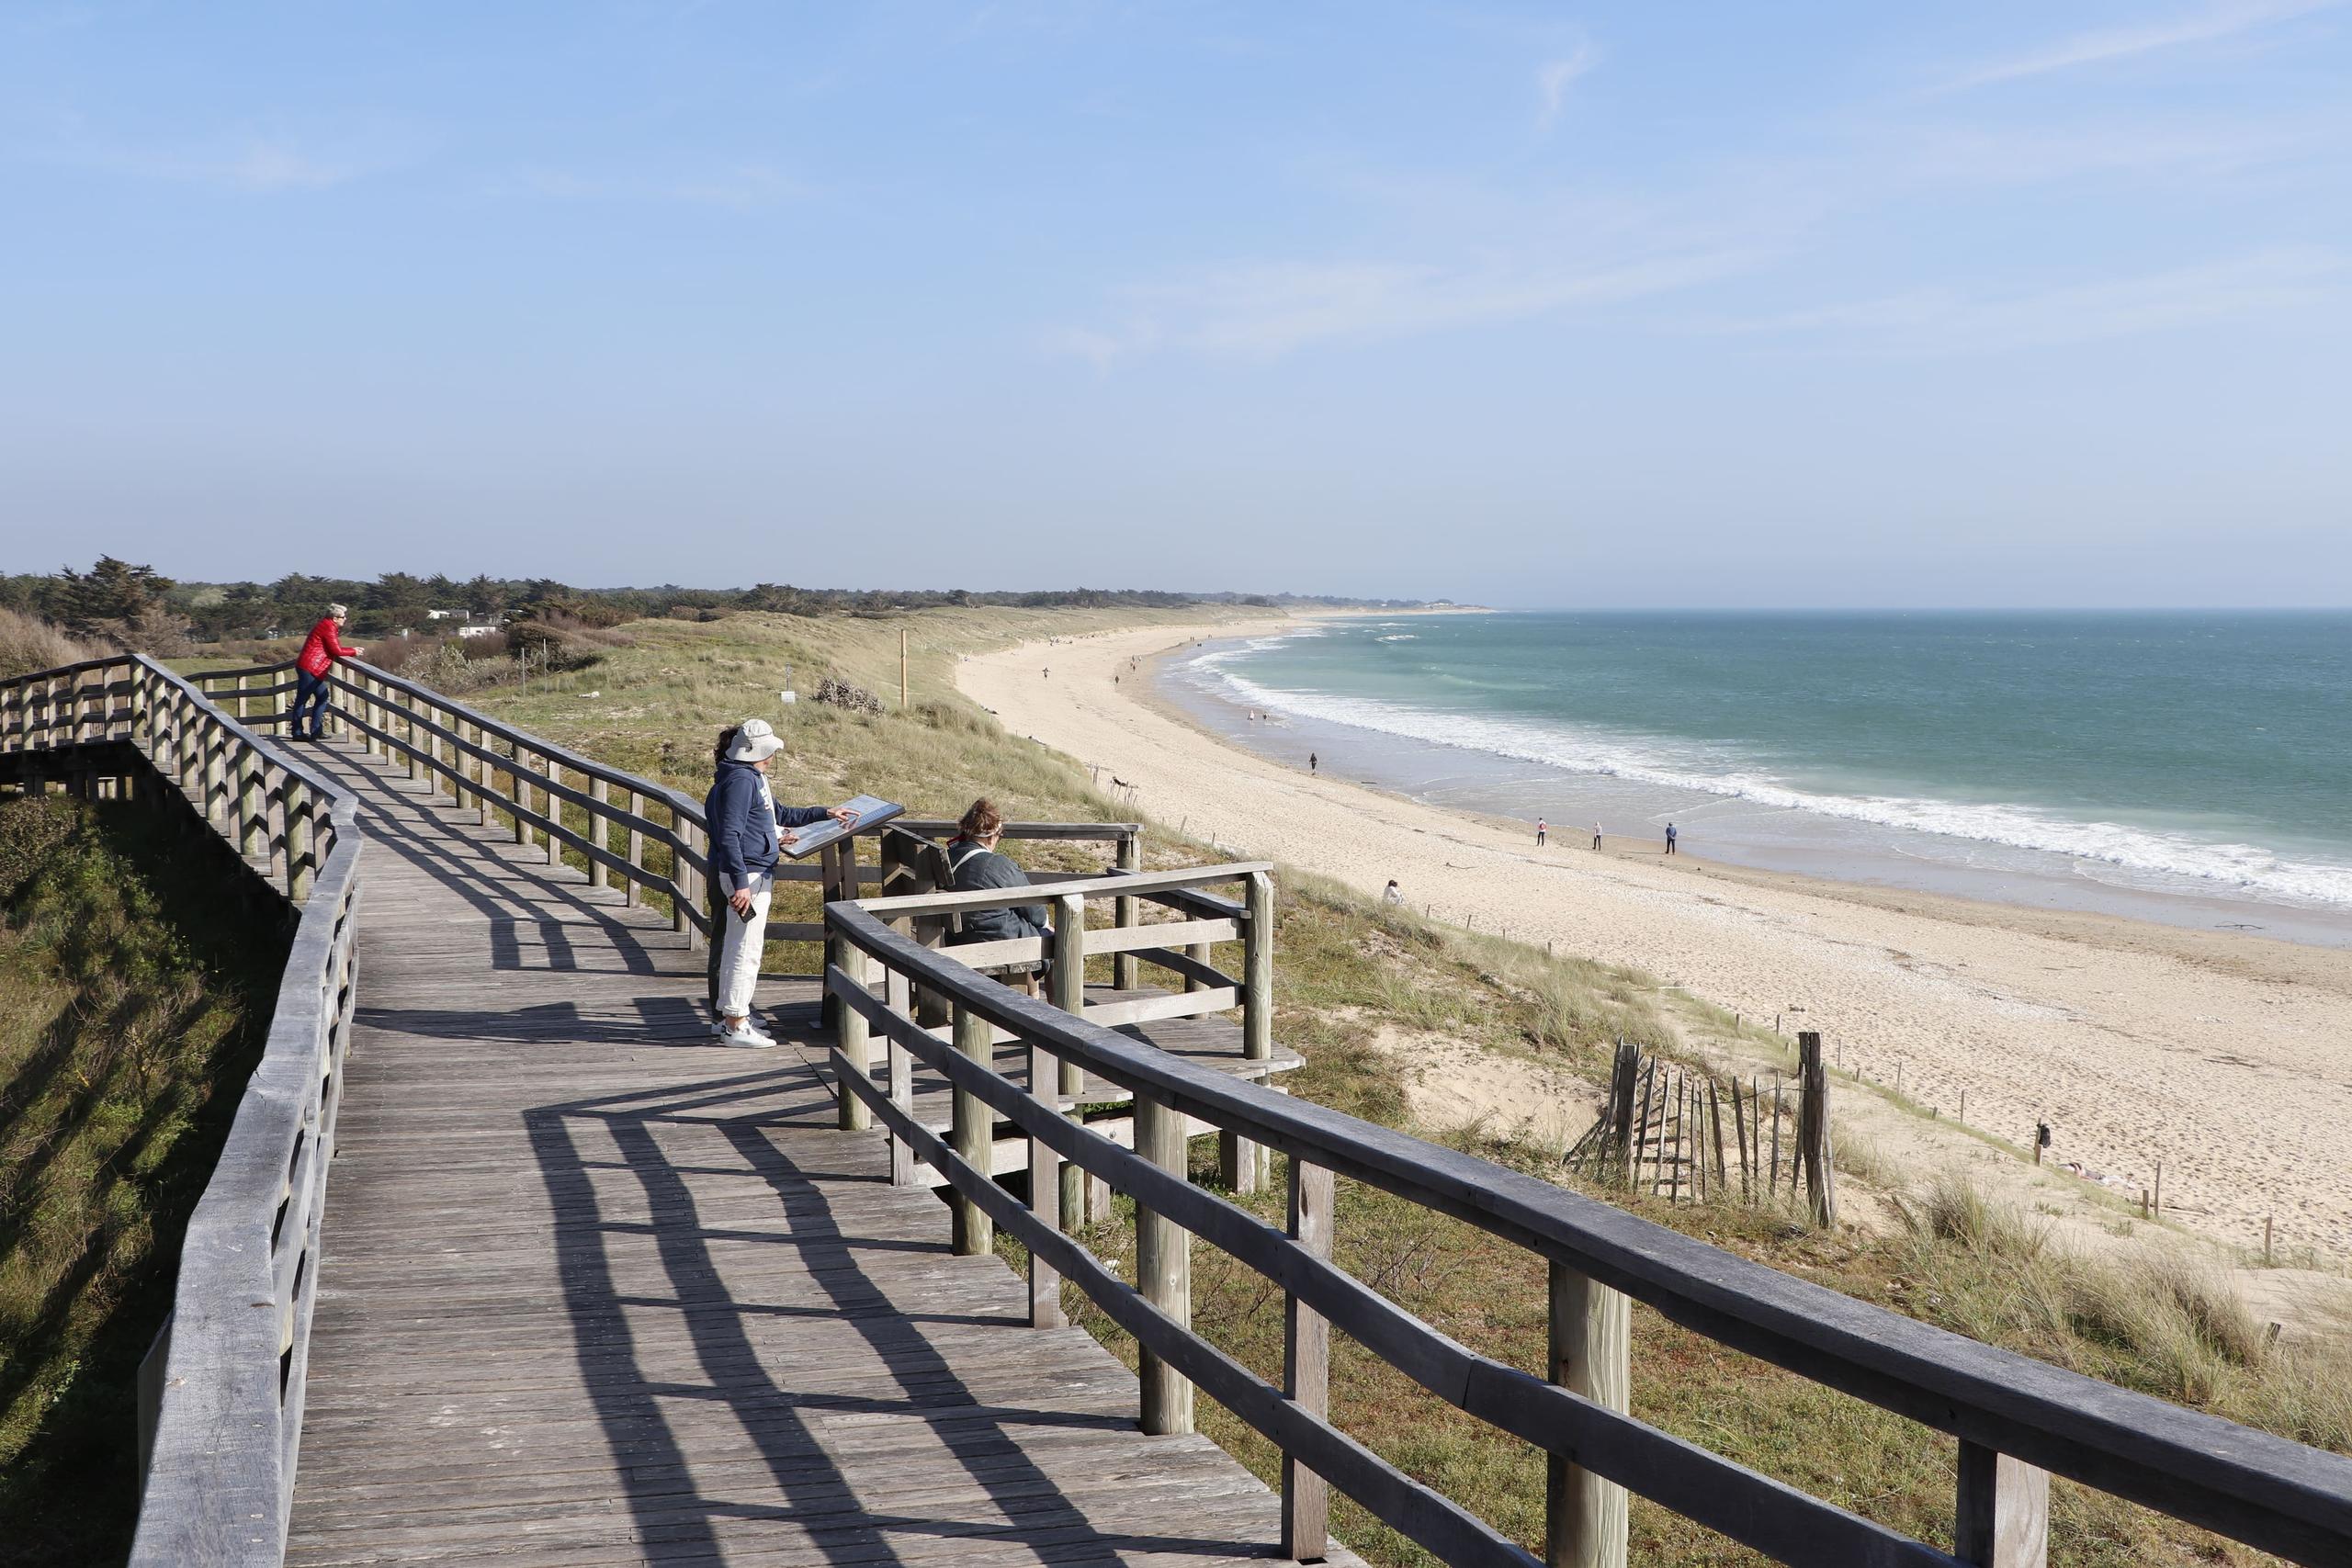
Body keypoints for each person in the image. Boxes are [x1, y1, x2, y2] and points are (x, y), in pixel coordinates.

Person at [704, 718, 857, 1047]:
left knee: (737, 947)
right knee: (745, 950)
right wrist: (740, 882)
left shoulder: (743, 777)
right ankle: (735, 1024)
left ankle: (732, 1016)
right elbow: (730, 835)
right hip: (750, 874)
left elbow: (775, 813)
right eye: (769, 751)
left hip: (748, 871)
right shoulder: (743, 781)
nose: (772, 757)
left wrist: (824, 812)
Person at [943, 798, 1051, 995]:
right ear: (991, 837)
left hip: (956, 939)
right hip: (995, 944)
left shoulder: (947, 858)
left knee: (1023, 929)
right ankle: (1057, 1014)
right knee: (1054, 941)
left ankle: (1033, 999)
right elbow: (1037, 915)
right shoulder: (997, 865)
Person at [288, 604, 364, 740]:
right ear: (335, 618)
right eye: (342, 617)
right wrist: (354, 651)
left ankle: (316, 730)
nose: (345, 619)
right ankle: (298, 732)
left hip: (310, 666)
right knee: (302, 700)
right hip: (310, 667)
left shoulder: (326, 625)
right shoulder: (328, 627)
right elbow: (336, 650)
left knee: (322, 696)